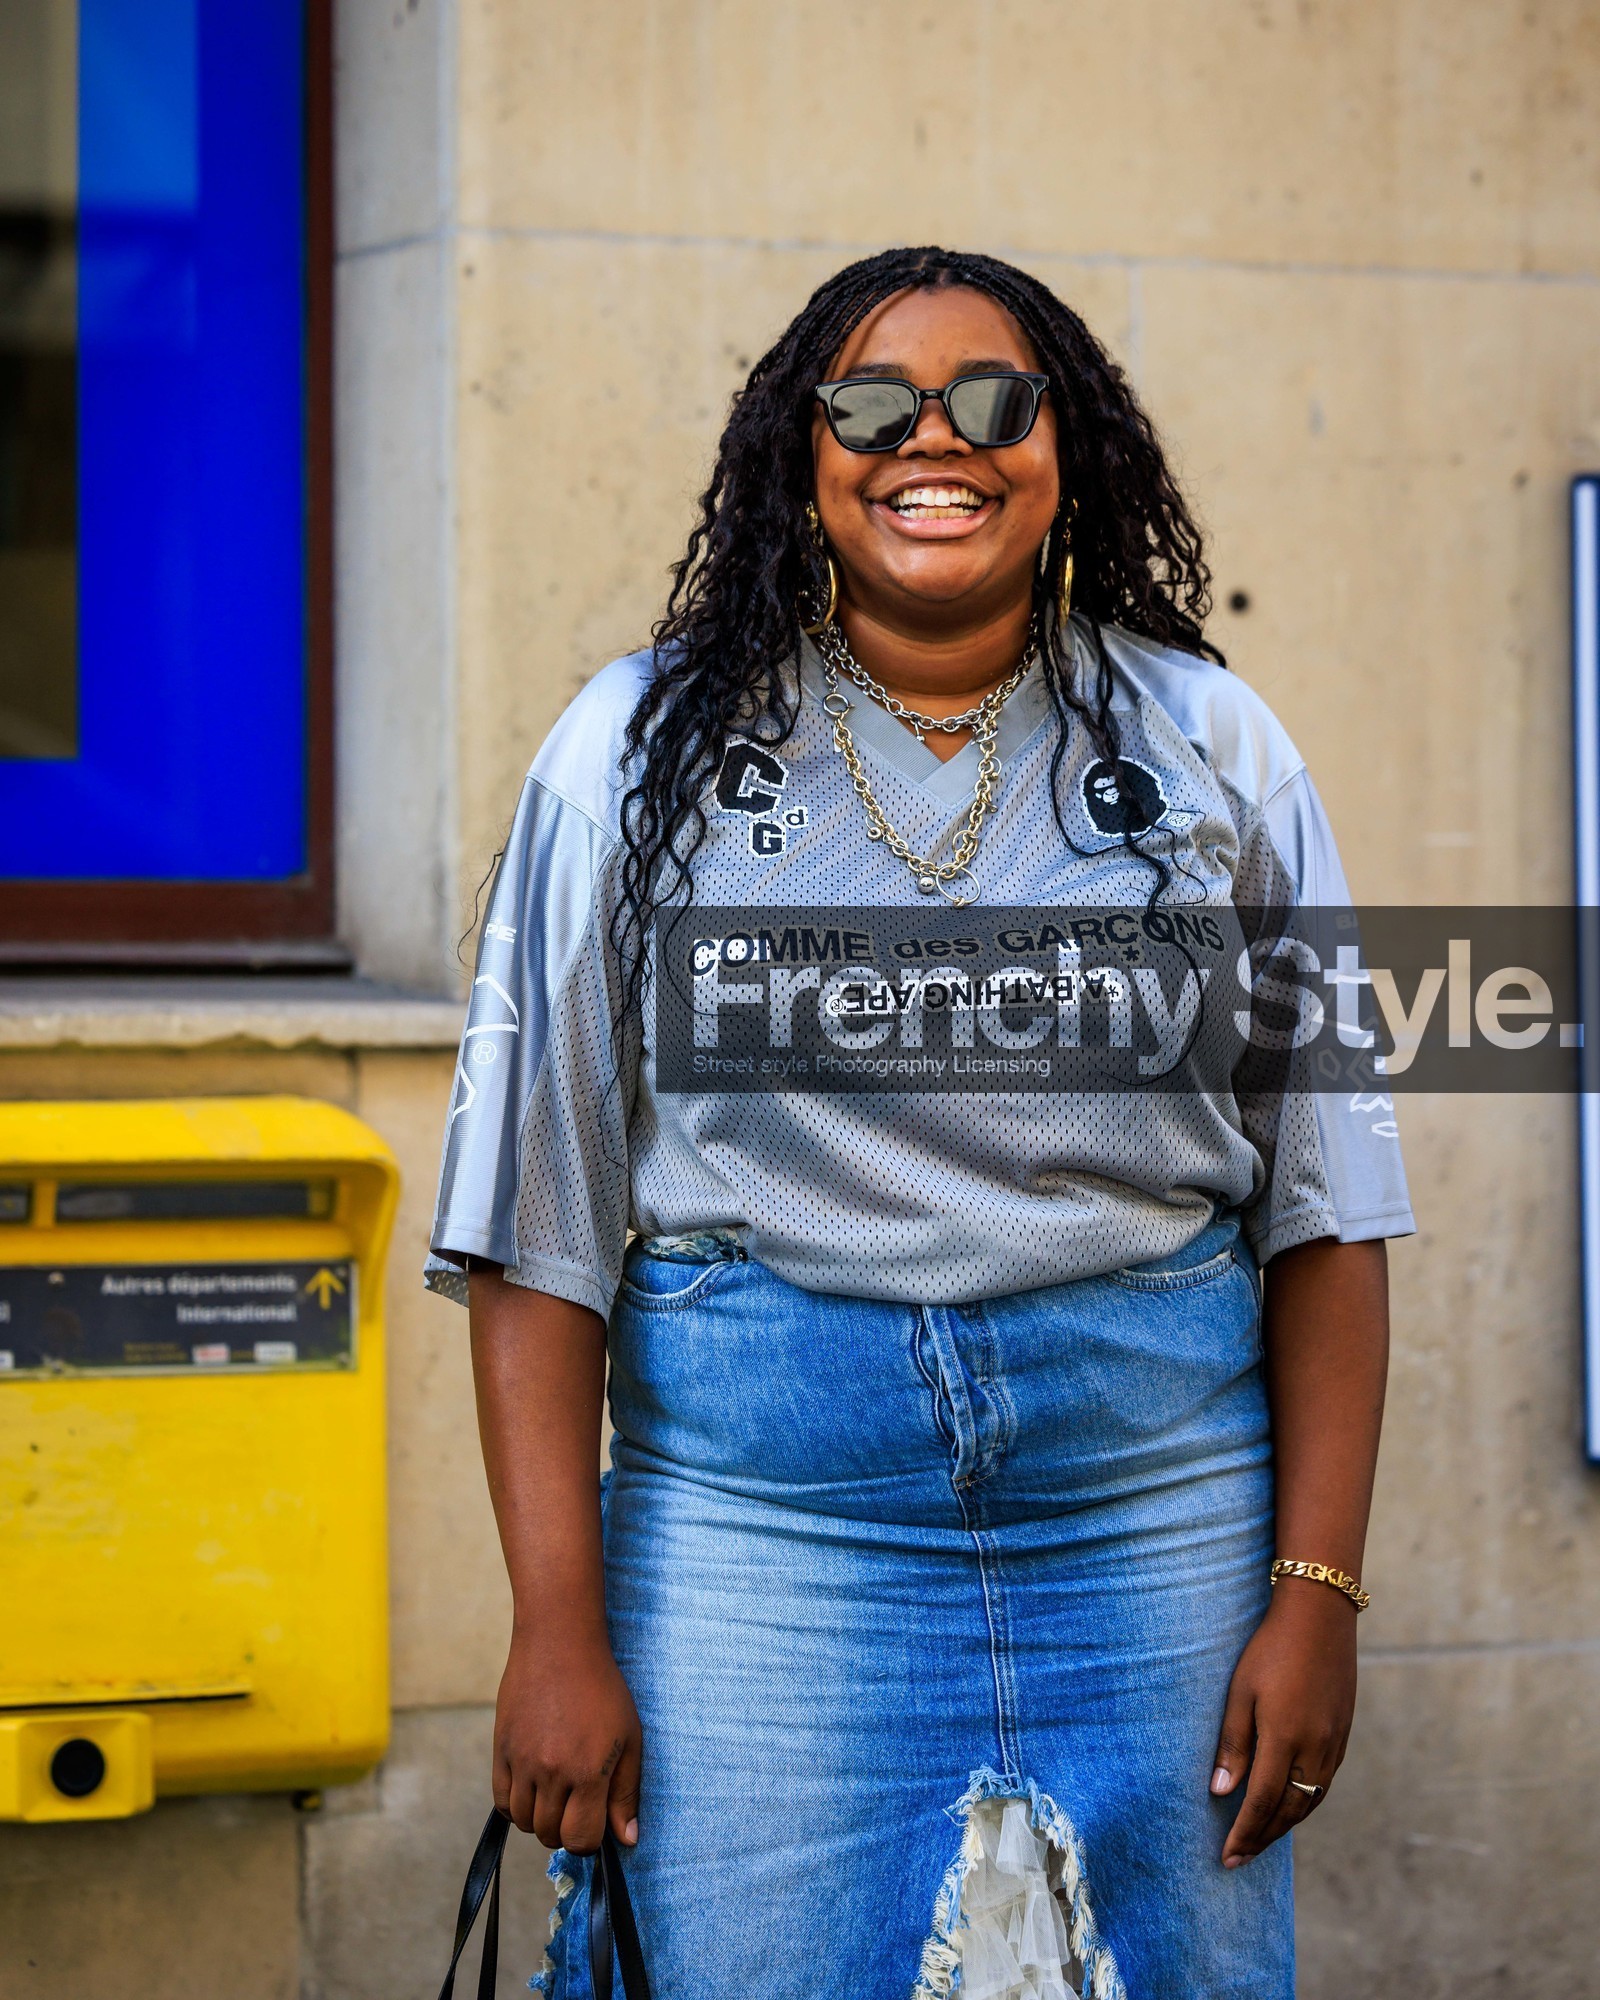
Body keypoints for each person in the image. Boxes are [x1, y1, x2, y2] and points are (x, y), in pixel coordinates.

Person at [426, 245, 1412, 2000]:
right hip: (764, 1536)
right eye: (872, 405)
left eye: (993, 403)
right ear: (802, 452)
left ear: (1065, 446)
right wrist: (555, 1625)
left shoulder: (1214, 749)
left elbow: (1326, 1202)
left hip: (1155, 1517)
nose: (930, 441)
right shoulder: (634, 754)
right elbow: (538, 1215)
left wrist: (1318, 1588)